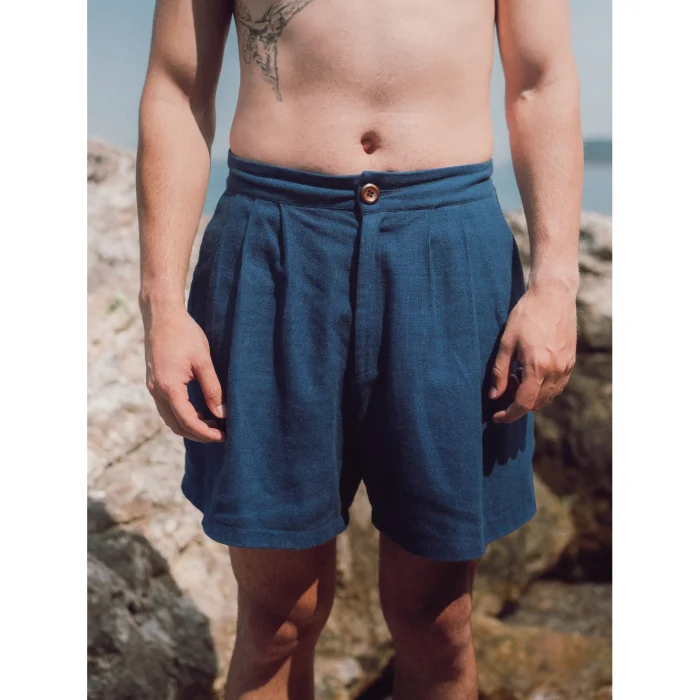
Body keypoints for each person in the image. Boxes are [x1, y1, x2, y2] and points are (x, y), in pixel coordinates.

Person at [137, 0, 581, 697]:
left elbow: (541, 82)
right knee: (277, 622)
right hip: (273, 242)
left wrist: (555, 283)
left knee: (437, 617)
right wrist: (162, 307)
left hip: (447, 242)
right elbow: (177, 88)